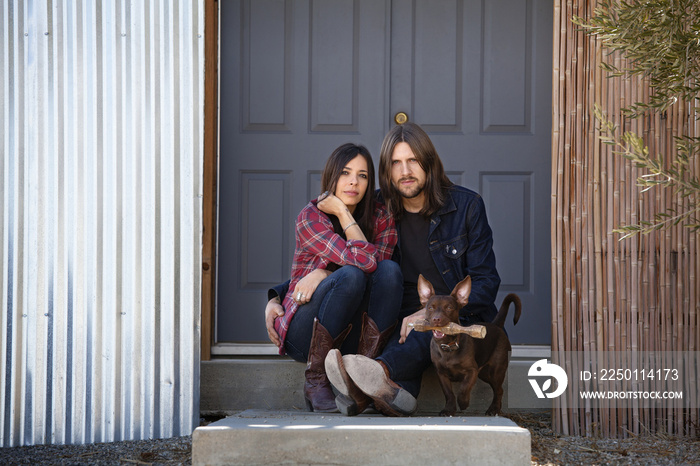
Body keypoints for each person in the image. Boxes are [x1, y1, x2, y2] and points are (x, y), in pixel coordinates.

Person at [323, 122, 501, 416]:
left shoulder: (467, 206)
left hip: (450, 316)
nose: (405, 171)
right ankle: (380, 391)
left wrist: (427, 314)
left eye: (413, 161)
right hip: (393, 316)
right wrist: (277, 297)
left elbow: (486, 282)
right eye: (396, 163)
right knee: (404, 353)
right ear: (387, 170)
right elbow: (329, 251)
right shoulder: (376, 206)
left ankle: (372, 376)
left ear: (429, 163)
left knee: (429, 327)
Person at [264, 143, 403, 413]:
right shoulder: (311, 216)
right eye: (345, 173)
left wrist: (324, 272)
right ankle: (315, 380)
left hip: (351, 334)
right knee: (351, 274)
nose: (354, 182)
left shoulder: (380, 216)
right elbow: (362, 262)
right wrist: (340, 210)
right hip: (304, 330)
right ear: (331, 177)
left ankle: (364, 378)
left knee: (391, 271)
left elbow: (379, 273)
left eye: (362, 175)